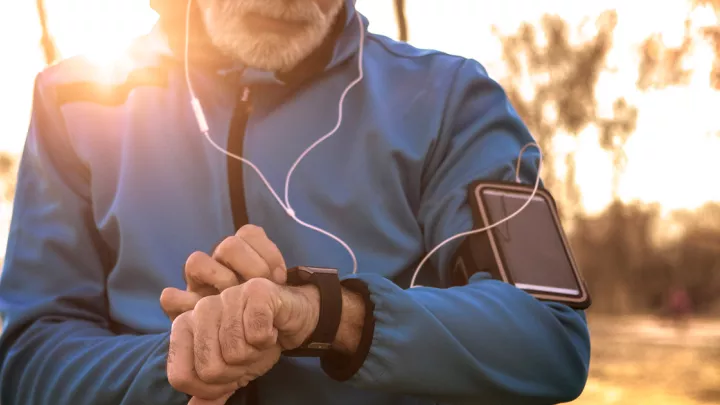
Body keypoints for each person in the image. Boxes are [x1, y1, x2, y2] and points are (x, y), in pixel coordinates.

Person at [0, 0, 591, 404]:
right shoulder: (74, 101)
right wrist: (187, 357)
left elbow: (550, 334)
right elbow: (26, 360)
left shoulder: (452, 100)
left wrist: (328, 316)